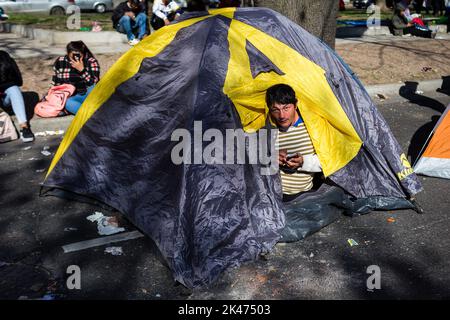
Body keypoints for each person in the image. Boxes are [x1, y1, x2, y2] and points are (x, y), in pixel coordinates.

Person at [266, 84, 322, 201]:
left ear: (295, 105)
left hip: (304, 196)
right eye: (275, 110)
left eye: (286, 108)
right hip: (271, 195)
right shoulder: (266, 128)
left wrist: (303, 161)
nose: (282, 115)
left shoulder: (311, 127)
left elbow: (330, 161)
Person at [51, 41, 100, 115]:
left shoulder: (91, 61)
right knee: (68, 103)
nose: (76, 57)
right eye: (73, 54)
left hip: (88, 94)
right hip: (72, 97)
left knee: (93, 89)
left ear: (82, 52)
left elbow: (94, 84)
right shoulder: (60, 61)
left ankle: (87, 112)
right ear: (68, 53)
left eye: (78, 54)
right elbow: (56, 82)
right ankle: (89, 114)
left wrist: (82, 70)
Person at [0, 51, 34, 142]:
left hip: (5, 100)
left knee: (14, 89)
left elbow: (19, 82)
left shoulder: (4, 57)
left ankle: (24, 127)